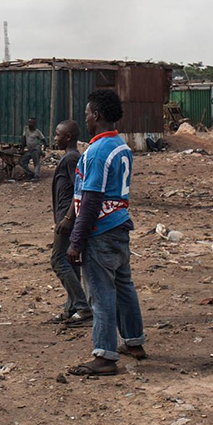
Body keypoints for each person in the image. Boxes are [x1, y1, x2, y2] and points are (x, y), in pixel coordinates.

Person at [66, 89, 146, 377]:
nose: (85, 118)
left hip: (101, 230)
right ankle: (134, 342)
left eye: (87, 113)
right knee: (124, 288)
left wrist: (76, 241)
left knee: (100, 295)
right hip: (120, 227)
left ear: (96, 115)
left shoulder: (97, 151)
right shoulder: (120, 146)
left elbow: (91, 199)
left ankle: (105, 355)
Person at [49, 121, 90, 326]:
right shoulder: (69, 157)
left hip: (67, 220)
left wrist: (67, 218)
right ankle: (71, 309)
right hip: (64, 218)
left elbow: (79, 190)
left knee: (58, 261)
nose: (54, 138)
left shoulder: (72, 158)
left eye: (57, 135)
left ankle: (83, 307)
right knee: (70, 262)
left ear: (68, 137)